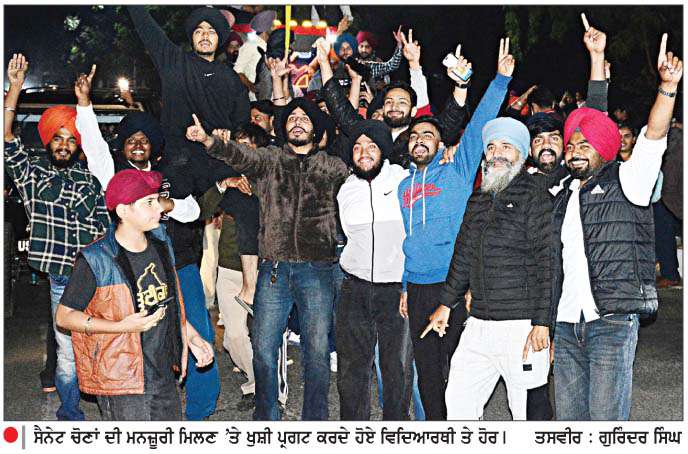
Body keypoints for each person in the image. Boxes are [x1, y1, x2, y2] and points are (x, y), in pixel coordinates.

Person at [71, 65, 220, 421]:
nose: (138, 145)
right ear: (123, 146)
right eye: (131, 140)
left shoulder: (169, 173)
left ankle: (198, 413)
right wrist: (84, 104)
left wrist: (166, 203)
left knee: (198, 331)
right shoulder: (114, 176)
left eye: (144, 140)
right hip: (131, 272)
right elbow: (94, 147)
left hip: (178, 264)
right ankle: (136, 410)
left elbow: (194, 210)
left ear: (152, 145)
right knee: (142, 340)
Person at [186, 97, 349, 421]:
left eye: (305, 118)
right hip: (274, 270)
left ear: (316, 130)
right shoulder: (270, 160)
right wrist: (208, 140)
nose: (298, 122)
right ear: (283, 128)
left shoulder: (332, 167)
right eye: (292, 118)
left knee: (317, 351)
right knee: (262, 348)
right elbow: (239, 154)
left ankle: (315, 421)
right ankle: (266, 418)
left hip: (317, 270)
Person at [551, 33, 682, 420]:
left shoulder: (629, 180)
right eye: (570, 146)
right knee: (570, 426)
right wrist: (596, 57)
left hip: (610, 321)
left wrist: (668, 88)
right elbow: (592, 119)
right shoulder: (561, 192)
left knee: (606, 425)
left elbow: (653, 136)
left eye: (584, 146)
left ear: (604, 149)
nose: (575, 150)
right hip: (565, 323)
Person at [397, 38, 513, 420]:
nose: (419, 141)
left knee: (461, 374)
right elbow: (409, 239)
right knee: (428, 375)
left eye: (428, 136)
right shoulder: (403, 186)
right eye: (414, 136)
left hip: (453, 285)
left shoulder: (458, 169)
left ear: (441, 143)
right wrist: (404, 286)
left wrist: (499, 80)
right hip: (417, 288)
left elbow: (478, 125)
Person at [54, 169, 214, 420]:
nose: (159, 208)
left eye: (157, 200)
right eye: (149, 202)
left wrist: (190, 336)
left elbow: (167, 302)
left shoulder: (161, 243)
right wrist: (120, 326)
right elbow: (64, 317)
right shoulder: (96, 259)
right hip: (121, 376)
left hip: (163, 371)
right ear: (123, 210)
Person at [425, 116, 554, 420]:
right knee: (458, 401)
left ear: (522, 154)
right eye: (492, 147)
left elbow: (548, 261)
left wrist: (542, 322)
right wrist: (446, 303)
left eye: (506, 147)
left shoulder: (535, 195)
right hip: (479, 321)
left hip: (522, 325)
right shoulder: (479, 198)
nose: (497, 153)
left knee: (526, 412)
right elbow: (464, 253)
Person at [4, 54, 110, 421]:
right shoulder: (32, 175)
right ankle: (70, 413)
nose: (64, 144)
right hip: (62, 278)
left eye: (70, 139)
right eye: (58, 138)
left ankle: (109, 407)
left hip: (95, 276)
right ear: (48, 142)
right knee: (66, 352)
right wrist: (15, 88)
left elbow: (103, 227)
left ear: (77, 145)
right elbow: (6, 139)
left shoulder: (90, 180)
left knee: (99, 345)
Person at [335, 119, 412, 420]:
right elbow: (348, 235)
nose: (363, 153)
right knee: (351, 370)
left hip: (395, 289)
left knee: (397, 369)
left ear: (383, 150)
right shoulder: (346, 190)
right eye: (357, 147)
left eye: (371, 147)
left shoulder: (403, 181)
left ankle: (395, 429)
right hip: (354, 287)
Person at [127, 5, 249, 193]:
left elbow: (242, 121)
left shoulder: (231, 79)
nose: (205, 36)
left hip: (217, 162)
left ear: (220, 39)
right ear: (192, 37)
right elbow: (146, 27)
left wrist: (229, 132)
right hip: (178, 162)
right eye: (199, 31)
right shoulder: (174, 63)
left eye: (211, 31)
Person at [319, 30, 469, 168]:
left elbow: (450, 121)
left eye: (402, 102)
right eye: (389, 102)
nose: (394, 106)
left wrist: (461, 84)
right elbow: (340, 109)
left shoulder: (419, 138)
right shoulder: (369, 134)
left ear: (413, 111)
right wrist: (324, 62)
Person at [234, 10, 276, 101]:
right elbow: (237, 71)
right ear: (266, 28)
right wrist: (252, 87)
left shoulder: (270, 45)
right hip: (255, 99)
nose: (274, 28)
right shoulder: (250, 45)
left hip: (270, 96)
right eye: (272, 26)